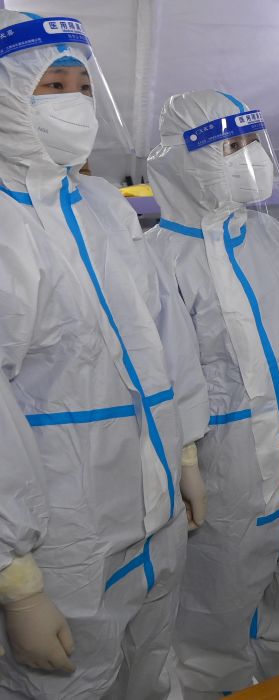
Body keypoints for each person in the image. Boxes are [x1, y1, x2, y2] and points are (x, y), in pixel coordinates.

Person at [0, 10, 208, 699]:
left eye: (80, 85)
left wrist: (184, 452)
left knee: (153, 669)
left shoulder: (103, 207)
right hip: (62, 542)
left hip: (152, 513)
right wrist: (14, 577)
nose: (72, 102)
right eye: (49, 86)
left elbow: (163, 333)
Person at [143, 90, 279, 697]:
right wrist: (188, 460)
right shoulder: (154, 260)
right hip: (219, 481)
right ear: (183, 160)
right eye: (227, 147)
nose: (246, 157)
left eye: (251, 141)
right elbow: (160, 381)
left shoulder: (274, 240)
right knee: (210, 634)